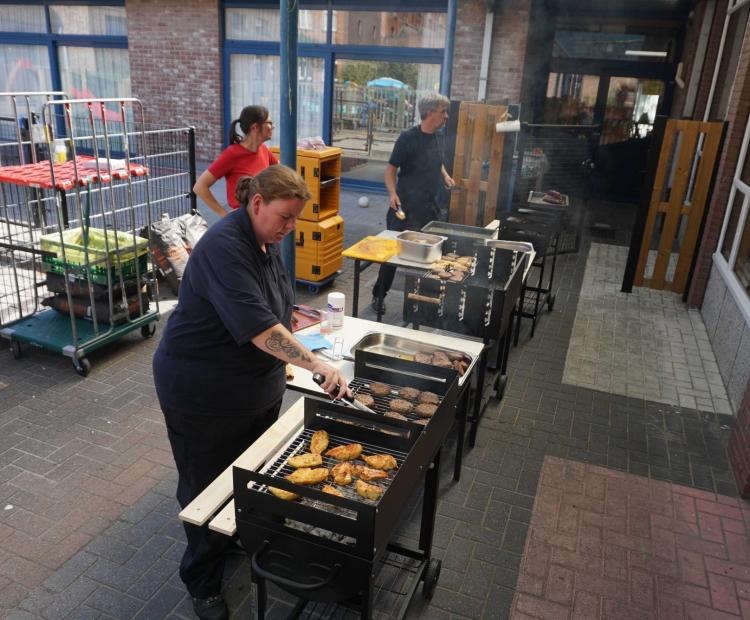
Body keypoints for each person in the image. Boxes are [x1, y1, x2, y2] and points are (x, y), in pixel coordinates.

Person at [153, 165, 351, 620]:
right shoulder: (226, 247)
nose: (289, 228)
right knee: (205, 487)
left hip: (253, 389)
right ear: (257, 203)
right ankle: (201, 580)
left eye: (294, 220)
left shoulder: (263, 240)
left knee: (249, 473)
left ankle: (239, 535)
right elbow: (261, 328)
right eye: (284, 217)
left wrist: (303, 347)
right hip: (200, 391)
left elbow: (275, 309)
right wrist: (315, 364)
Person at [371, 93, 455, 314]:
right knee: (392, 255)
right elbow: (390, 170)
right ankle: (379, 296)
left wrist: (445, 175)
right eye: (443, 111)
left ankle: (428, 298)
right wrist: (392, 194)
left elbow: (438, 163)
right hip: (405, 206)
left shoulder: (439, 137)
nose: (446, 116)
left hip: (430, 205)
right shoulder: (407, 138)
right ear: (429, 113)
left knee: (434, 254)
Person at [193, 105, 278, 218]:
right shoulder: (232, 154)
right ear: (255, 127)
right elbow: (199, 187)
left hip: (263, 217)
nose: (273, 127)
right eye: (269, 123)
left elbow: (280, 172)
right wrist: (224, 215)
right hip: (243, 220)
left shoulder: (263, 149)